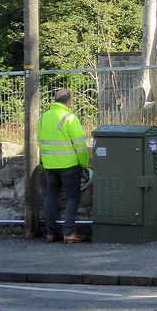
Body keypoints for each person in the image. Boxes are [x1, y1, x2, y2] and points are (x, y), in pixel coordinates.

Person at [36, 89, 90, 243]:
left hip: (49, 164)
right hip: (69, 165)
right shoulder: (69, 118)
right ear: (68, 101)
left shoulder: (42, 118)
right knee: (72, 196)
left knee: (51, 196)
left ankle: (50, 233)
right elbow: (80, 146)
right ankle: (69, 233)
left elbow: (40, 142)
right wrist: (84, 164)